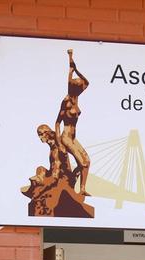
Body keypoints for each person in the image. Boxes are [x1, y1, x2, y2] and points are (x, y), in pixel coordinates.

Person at [56, 49, 91, 195]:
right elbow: (57, 123)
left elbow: (87, 82)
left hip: (73, 137)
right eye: (79, 86)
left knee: (87, 162)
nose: (82, 88)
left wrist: (76, 69)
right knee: (82, 163)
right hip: (66, 137)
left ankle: (82, 189)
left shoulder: (76, 99)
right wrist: (59, 143)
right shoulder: (67, 101)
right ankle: (72, 182)